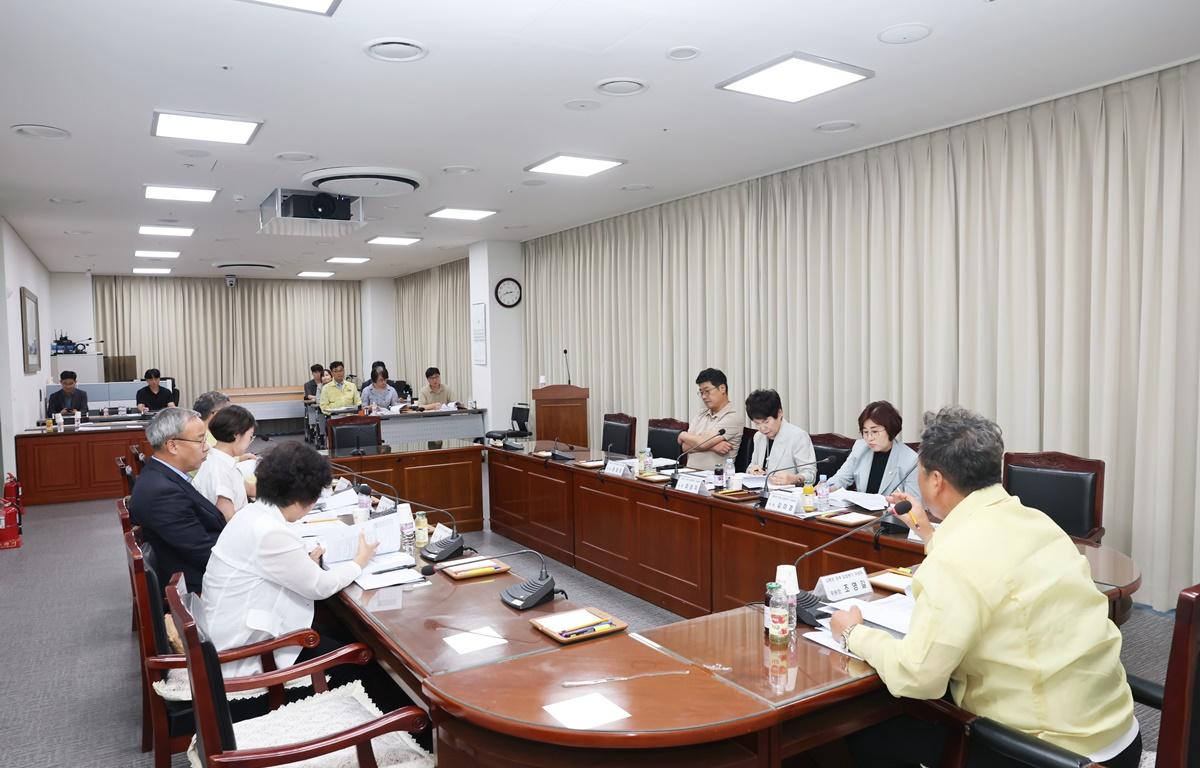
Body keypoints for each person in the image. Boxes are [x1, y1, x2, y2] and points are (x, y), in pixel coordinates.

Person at [830, 407, 1140, 768]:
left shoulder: (956, 559)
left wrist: (853, 633)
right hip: (1120, 738)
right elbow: (983, 560)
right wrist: (928, 532)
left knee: (860, 729)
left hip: (1047, 754)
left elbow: (918, 677)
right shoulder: (1037, 522)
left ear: (935, 481)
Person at [200, 442, 377, 680]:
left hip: (234, 635)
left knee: (338, 631)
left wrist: (306, 564)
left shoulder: (252, 514)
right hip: (247, 657)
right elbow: (320, 586)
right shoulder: (270, 531)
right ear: (299, 500)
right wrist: (359, 561)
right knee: (367, 664)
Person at [128, 408, 224, 594]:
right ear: (172, 446)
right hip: (195, 583)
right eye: (200, 440)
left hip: (193, 565)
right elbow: (204, 552)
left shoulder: (164, 476)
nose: (207, 447)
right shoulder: (162, 493)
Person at [827, 400, 921, 500]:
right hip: (860, 513)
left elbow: (914, 504)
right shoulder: (860, 448)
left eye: (875, 431)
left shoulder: (911, 460)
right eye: (865, 432)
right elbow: (841, 479)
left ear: (891, 429)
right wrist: (825, 488)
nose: (869, 438)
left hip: (891, 514)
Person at [193, 405, 257, 521]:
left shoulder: (219, 459)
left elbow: (248, 488)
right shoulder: (220, 470)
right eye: (250, 436)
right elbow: (229, 522)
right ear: (236, 435)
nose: (250, 442)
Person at [744, 389, 817, 485]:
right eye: (757, 423)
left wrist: (794, 479)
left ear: (779, 413)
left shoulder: (798, 436)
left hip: (787, 496)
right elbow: (752, 466)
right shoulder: (758, 437)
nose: (762, 428)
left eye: (766, 422)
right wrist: (752, 471)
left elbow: (810, 475)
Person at [676, 368, 742, 471]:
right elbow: (684, 447)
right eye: (701, 392)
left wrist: (682, 435)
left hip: (716, 480)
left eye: (707, 391)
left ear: (722, 388)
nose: (704, 396)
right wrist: (713, 447)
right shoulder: (700, 414)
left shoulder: (732, 417)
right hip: (689, 477)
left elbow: (702, 442)